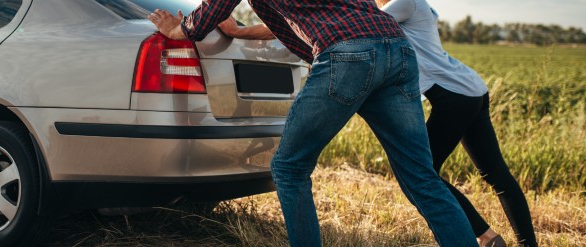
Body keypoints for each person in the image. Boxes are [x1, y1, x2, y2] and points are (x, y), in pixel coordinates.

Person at [147, 1, 476, 246]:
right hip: (398, 50)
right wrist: (239, 31)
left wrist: (179, 30)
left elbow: (213, 9)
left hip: (349, 54)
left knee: (289, 168)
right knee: (422, 177)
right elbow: (297, 21)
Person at [376, 0, 538, 246]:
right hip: (471, 89)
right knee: (498, 175)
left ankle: (486, 237)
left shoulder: (404, 2)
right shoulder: (417, 4)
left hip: (454, 95)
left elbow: (364, 24)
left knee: (419, 171)